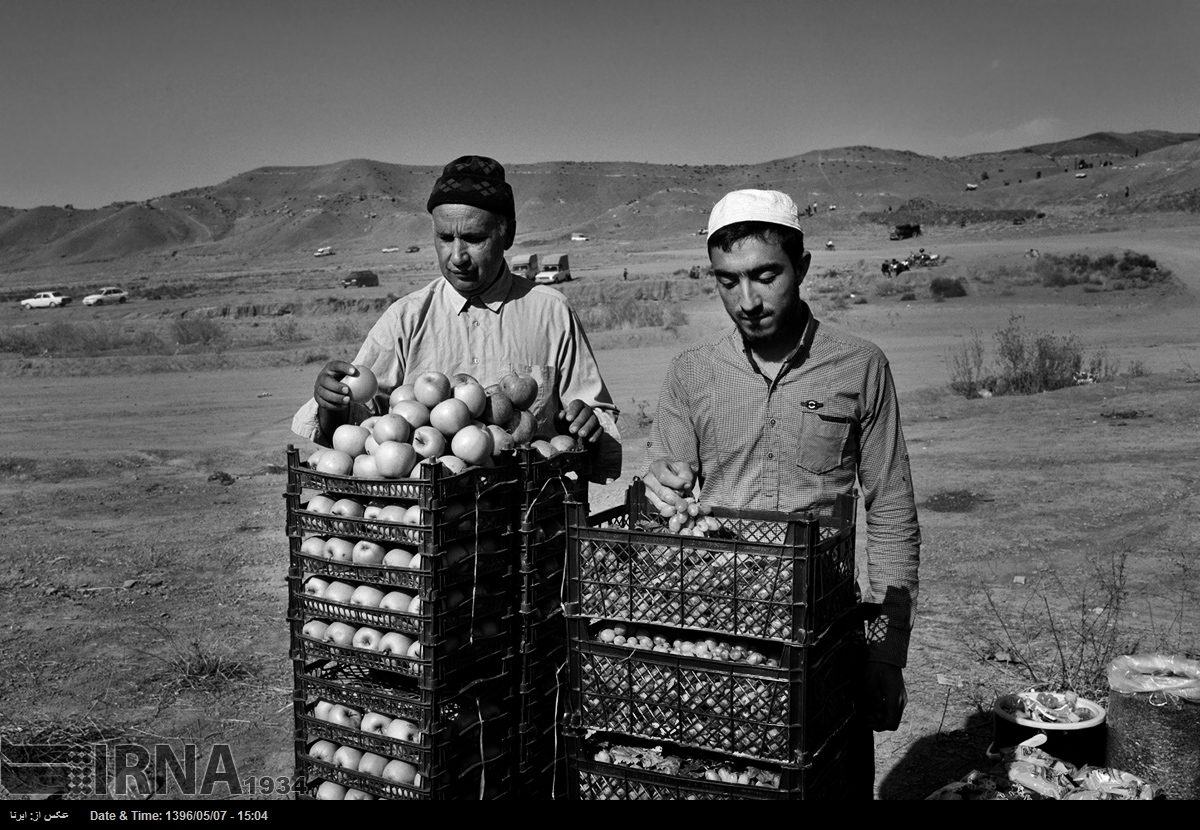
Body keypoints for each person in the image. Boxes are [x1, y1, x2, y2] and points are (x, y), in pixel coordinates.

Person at [643, 189, 920, 794]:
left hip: (825, 631)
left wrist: (887, 652)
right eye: (727, 281)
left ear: (802, 267)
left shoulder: (860, 365)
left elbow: (891, 508)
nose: (747, 300)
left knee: (827, 782)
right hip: (718, 632)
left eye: (765, 275)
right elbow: (664, 500)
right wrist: (658, 490)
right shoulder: (691, 372)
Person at [291, 154, 621, 483]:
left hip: (529, 514)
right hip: (434, 520)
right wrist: (332, 404)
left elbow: (597, 420)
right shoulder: (406, 319)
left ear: (507, 235)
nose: (458, 256)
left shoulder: (552, 313)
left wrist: (584, 424)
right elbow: (358, 436)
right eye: (445, 238)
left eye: (474, 239)